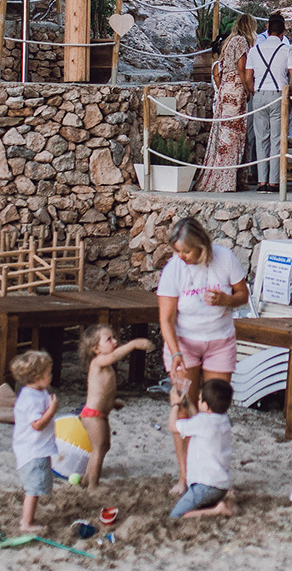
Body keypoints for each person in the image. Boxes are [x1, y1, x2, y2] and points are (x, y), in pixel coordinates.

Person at [156, 216, 248, 496]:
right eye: (177, 251)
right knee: (183, 408)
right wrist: (174, 353)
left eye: (186, 251)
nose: (181, 256)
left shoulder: (224, 258)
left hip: (219, 341)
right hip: (184, 343)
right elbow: (167, 318)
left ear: (202, 246)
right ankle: (186, 477)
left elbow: (243, 294)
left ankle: (215, 476)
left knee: (214, 410)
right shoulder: (174, 269)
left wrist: (226, 300)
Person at [77, 325, 152, 483]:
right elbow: (114, 356)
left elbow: (102, 391)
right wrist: (133, 344)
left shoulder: (106, 365)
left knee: (104, 446)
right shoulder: (99, 361)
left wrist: (112, 403)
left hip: (100, 414)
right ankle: (93, 486)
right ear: (96, 348)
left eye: (114, 337)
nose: (115, 341)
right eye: (109, 339)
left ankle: (86, 479)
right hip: (93, 416)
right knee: (99, 448)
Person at [168, 377, 236, 520]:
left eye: (199, 399)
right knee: (201, 502)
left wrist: (175, 405)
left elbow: (173, 427)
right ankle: (224, 502)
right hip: (221, 486)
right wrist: (187, 403)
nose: (198, 402)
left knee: (176, 515)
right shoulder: (224, 420)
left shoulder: (202, 423)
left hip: (204, 486)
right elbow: (199, 419)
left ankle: (217, 510)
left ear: (205, 405)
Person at [202, 13, 256, 193]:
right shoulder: (241, 42)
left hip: (226, 89)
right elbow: (242, 68)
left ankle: (226, 178)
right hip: (235, 90)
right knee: (233, 135)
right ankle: (227, 181)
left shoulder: (229, 41)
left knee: (225, 133)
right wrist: (249, 88)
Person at [244, 12, 292, 191]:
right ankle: (274, 182)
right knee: (276, 138)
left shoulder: (254, 50)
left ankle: (262, 181)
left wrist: (254, 91)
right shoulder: (286, 49)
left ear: (267, 28)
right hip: (278, 94)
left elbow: (248, 76)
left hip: (259, 94)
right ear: (283, 32)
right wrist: (288, 89)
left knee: (260, 138)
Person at [9, 349, 58, 532]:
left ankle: (28, 519)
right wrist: (52, 410)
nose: (51, 376)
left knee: (36, 487)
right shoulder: (30, 399)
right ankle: (26, 522)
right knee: (33, 489)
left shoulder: (39, 392)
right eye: (48, 373)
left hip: (38, 448)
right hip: (32, 451)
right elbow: (36, 424)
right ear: (37, 376)